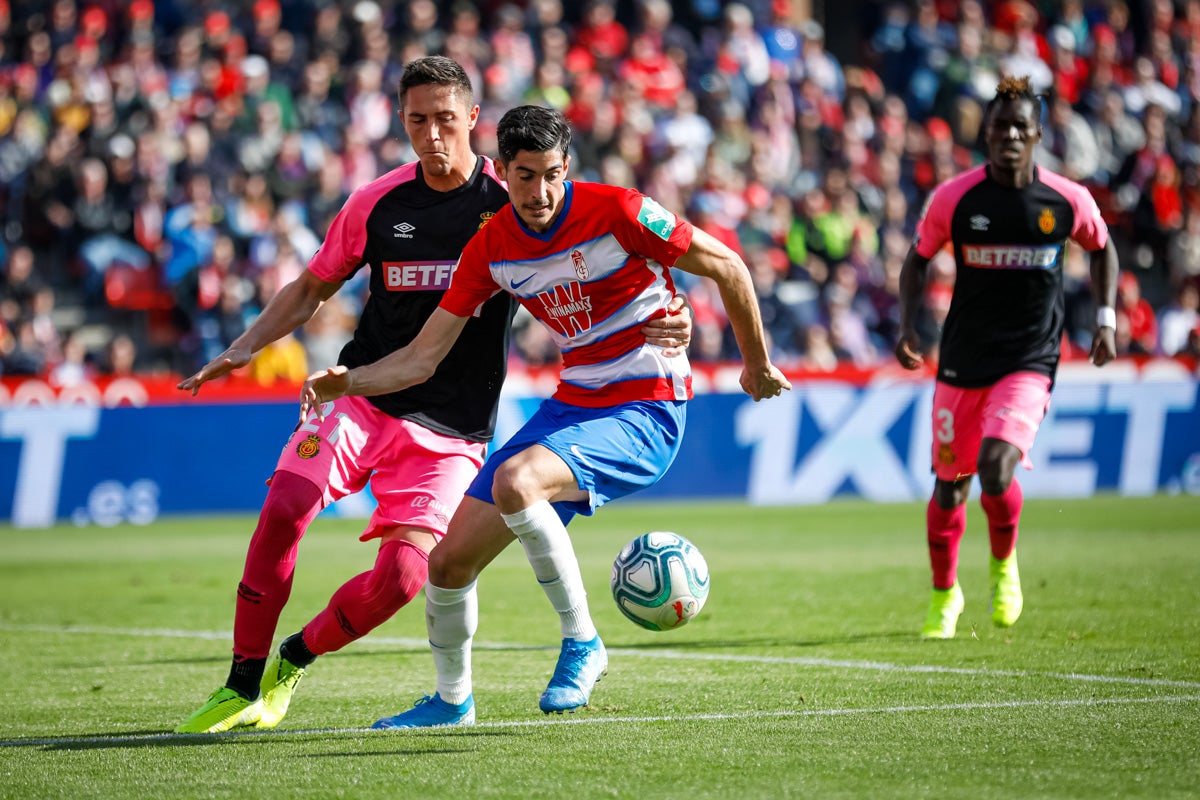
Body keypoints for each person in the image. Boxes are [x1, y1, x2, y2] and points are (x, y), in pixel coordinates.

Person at [172, 58, 691, 734]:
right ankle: (241, 685)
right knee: (286, 506)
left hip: (453, 429)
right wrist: (244, 348)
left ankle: (290, 664)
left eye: (446, 118)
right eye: (418, 120)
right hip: (363, 398)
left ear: (473, 119)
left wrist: (665, 320)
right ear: (402, 121)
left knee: (407, 578)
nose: (433, 134)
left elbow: (587, 277)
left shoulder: (518, 203)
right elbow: (310, 288)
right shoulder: (377, 203)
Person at [300, 105, 791, 728]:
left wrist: (756, 363)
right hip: (574, 403)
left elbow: (726, 264)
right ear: (501, 172)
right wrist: (350, 381)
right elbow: (423, 357)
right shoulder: (491, 248)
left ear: (568, 168)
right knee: (447, 564)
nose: (541, 192)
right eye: (525, 176)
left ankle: (583, 641)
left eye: (553, 175)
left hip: (647, 405)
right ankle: (453, 702)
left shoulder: (619, 211)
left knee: (516, 481)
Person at [894, 75, 1118, 640]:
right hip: (964, 359)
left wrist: (1106, 319)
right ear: (986, 135)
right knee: (951, 486)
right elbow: (917, 261)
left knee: (995, 467)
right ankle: (945, 594)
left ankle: (1003, 566)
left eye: (1021, 126)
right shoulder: (956, 199)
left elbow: (1103, 248)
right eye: (1000, 127)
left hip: (1031, 358)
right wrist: (906, 328)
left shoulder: (1065, 200)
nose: (1010, 136)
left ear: (1038, 134)